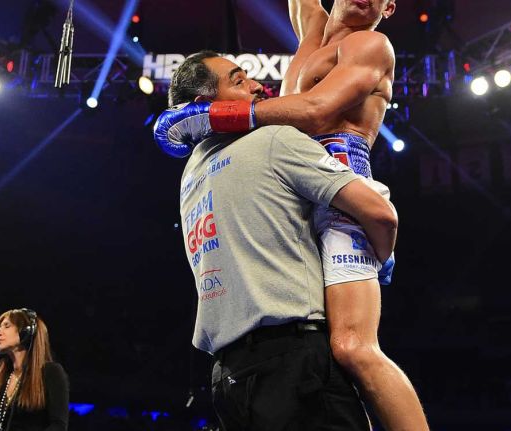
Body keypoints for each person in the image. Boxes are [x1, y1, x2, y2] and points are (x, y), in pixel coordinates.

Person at [154, 1, 429, 429]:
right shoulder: (310, 33)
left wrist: (215, 115)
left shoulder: (370, 45)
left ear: (389, 7)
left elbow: (317, 110)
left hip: (342, 187)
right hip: (292, 191)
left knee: (354, 348)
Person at [0, 309, 68, 431]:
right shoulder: (3, 378)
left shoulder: (51, 372)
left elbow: (58, 425)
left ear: (26, 332)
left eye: (6, 326)